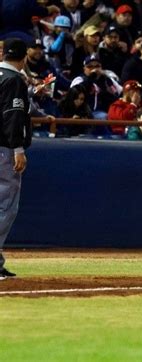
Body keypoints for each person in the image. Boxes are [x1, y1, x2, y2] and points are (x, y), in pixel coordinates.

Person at [0, 39, 32, 279]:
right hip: (4, 149)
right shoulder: (14, 80)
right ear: (24, 57)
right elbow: (13, 117)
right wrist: (17, 149)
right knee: (5, 206)